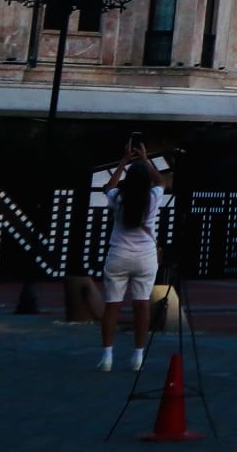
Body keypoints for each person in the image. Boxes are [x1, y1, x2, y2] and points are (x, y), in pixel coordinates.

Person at [95, 138, 169, 373]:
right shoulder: (153, 198)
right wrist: (146, 160)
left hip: (118, 255)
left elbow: (109, 187)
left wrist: (124, 161)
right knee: (141, 305)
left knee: (112, 306)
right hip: (145, 258)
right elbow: (161, 181)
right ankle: (138, 355)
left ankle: (107, 356)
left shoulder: (118, 199)